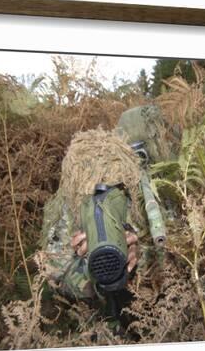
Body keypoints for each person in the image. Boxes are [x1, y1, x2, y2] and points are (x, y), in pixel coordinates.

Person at [39, 105, 181, 316]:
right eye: (134, 154)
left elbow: (182, 255)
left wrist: (141, 257)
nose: (141, 165)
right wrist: (90, 268)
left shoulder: (171, 191)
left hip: (169, 308)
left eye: (146, 155)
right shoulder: (84, 194)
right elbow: (54, 273)